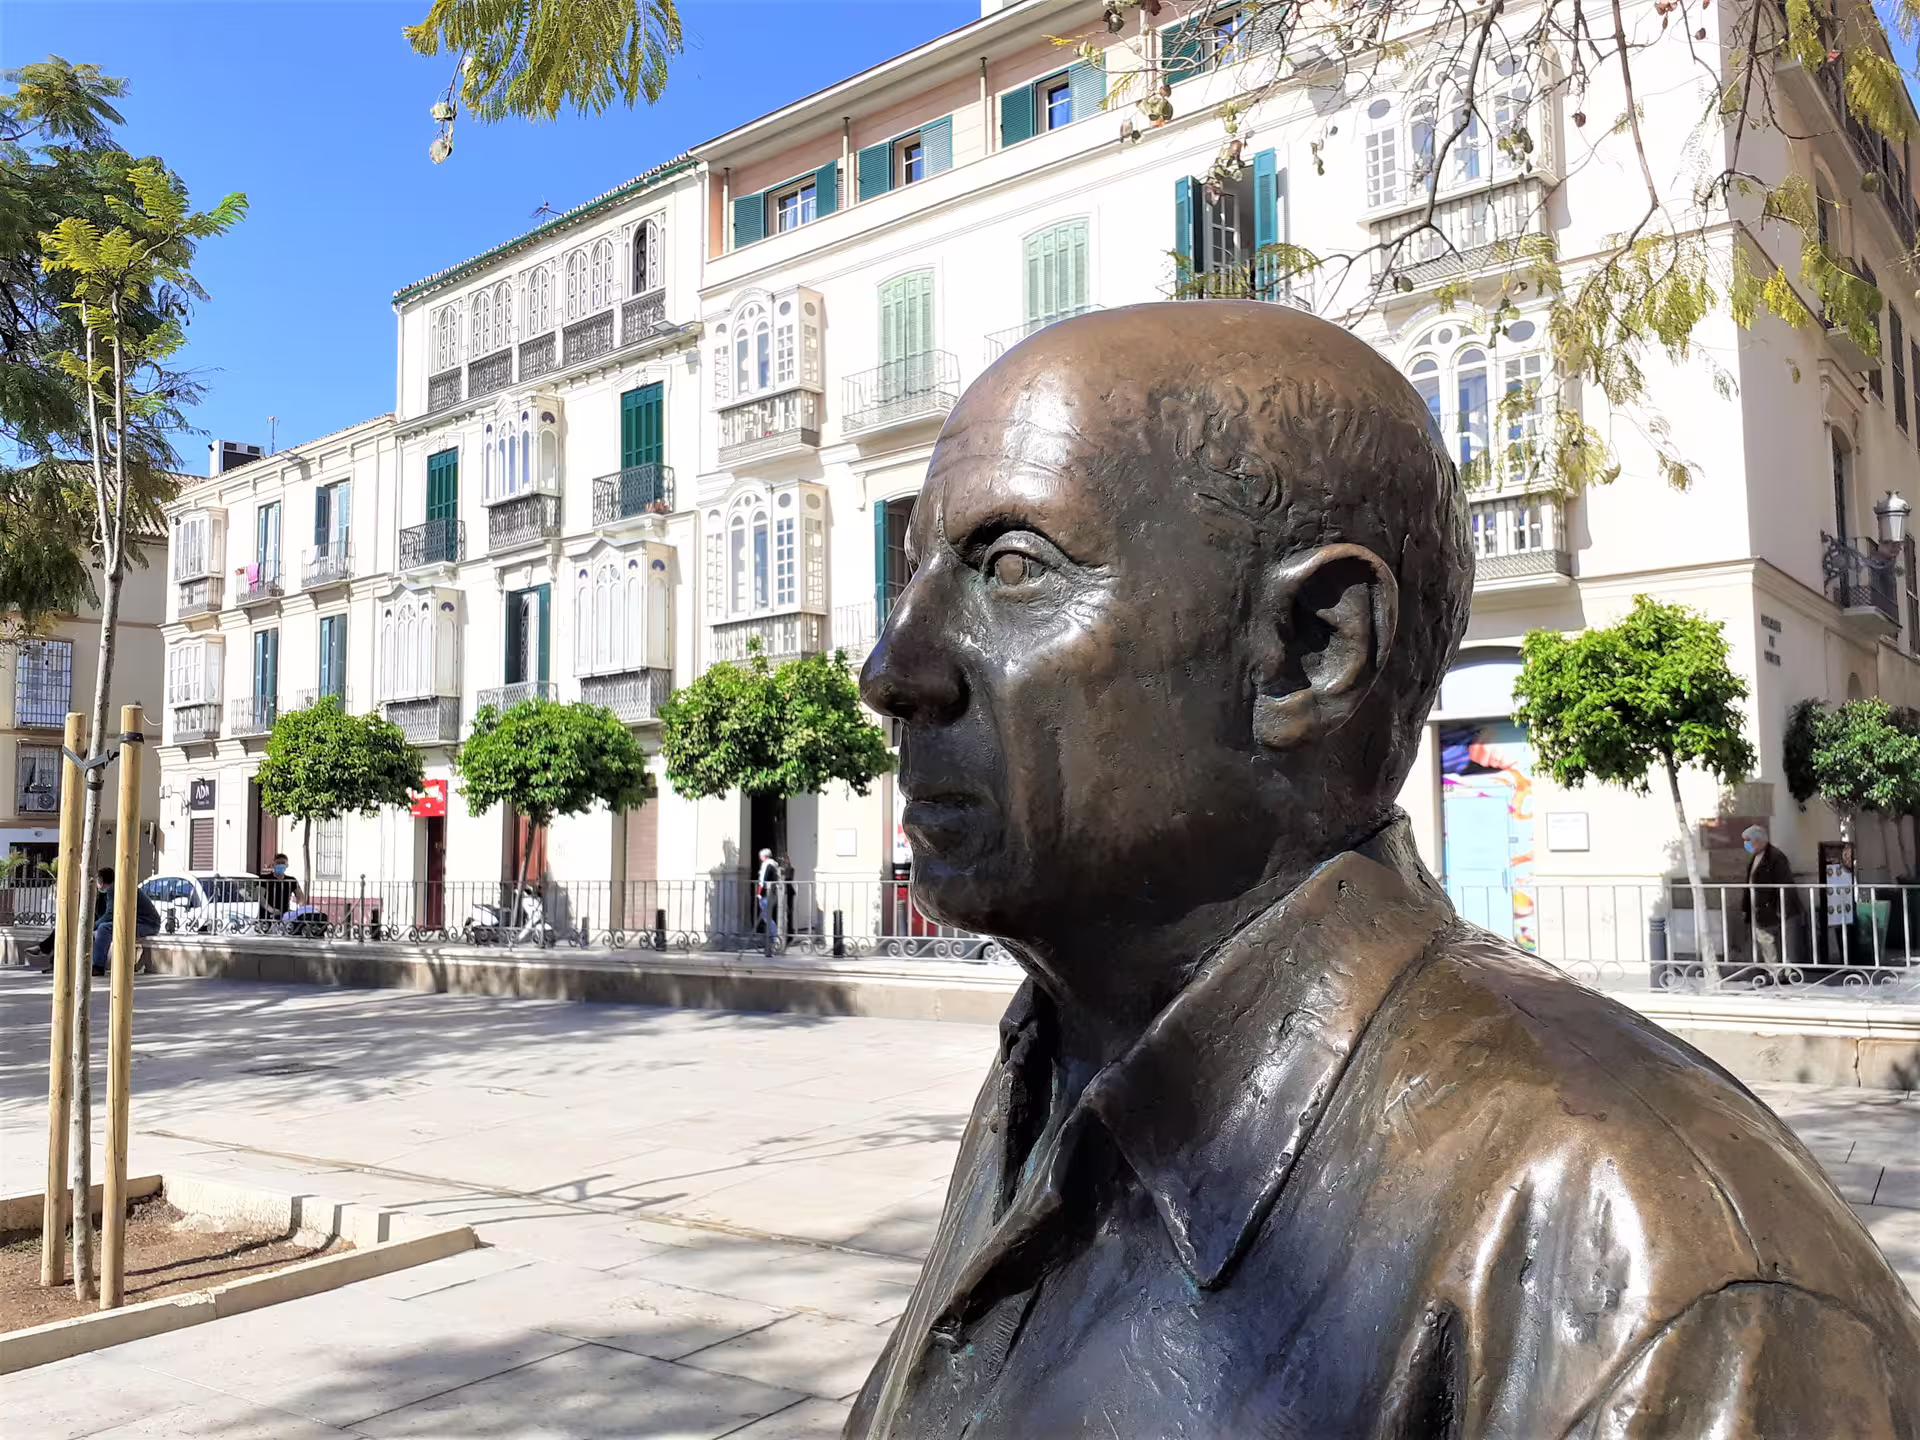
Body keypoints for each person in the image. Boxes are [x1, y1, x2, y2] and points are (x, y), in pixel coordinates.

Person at [847, 302, 1920, 1438]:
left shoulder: (1645, 1268)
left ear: (1313, 650)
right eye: (913, 573)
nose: (893, 667)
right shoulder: (1055, 1076)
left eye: (1013, 567)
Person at [1738, 823, 1804, 973]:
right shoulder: (1756, 857)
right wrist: (1745, 907)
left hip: (1773, 908)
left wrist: (1782, 909)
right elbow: (1749, 884)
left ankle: (1783, 973)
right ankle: (1775, 972)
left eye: (1749, 840)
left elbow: (1785, 884)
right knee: (1766, 942)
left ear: (1759, 840)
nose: (1746, 844)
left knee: (1779, 943)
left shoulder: (1775, 857)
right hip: (1762, 909)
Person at [91, 867, 161, 977]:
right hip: (142, 922)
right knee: (102, 928)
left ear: (102, 882)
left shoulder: (114, 889)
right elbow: (105, 914)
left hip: (147, 924)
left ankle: (98, 966)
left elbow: (110, 915)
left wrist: (93, 926)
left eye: (97, 882)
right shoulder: (113, 889)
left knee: (104, 928)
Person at [258, 852, 303, 920]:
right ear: (273, 864)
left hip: (284, 914)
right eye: (278, 863)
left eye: (283, 863)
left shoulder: (291, 880)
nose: (280, 865)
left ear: (287, 865)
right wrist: (271, 909)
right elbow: (260, 896)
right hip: (266, 915)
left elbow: (300, 896)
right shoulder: (264, 878)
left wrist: (302, 909)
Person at [754, 848, 780, 955]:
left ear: (763, 857)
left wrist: (759, 893)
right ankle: (773, 938)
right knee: (768, 917)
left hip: (766, 894)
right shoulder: (774, 865)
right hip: (774, 893)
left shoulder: (766, 865)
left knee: (767, 917)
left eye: (761, 856)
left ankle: (774, 938)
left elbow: (762, 881)